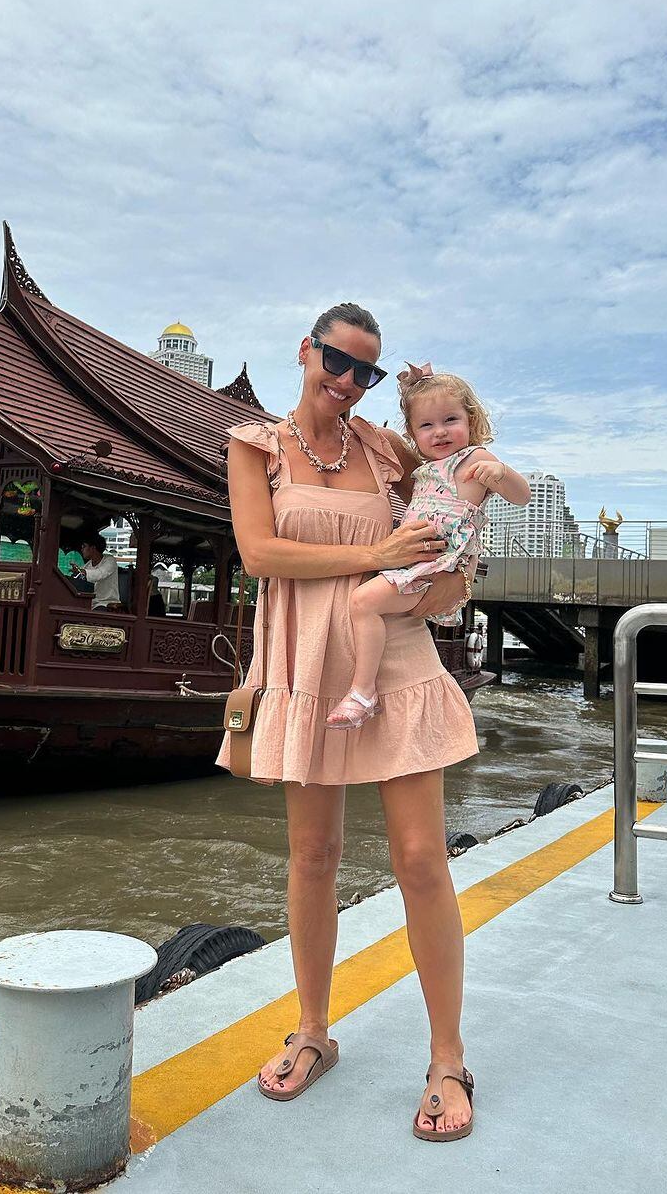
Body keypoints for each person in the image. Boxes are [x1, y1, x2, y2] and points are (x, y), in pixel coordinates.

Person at [219, 303, 481, 1140]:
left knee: (420, 859)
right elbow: (260, 554)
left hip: (393, 658)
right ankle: (312, 1031)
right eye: (338, 362)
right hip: (303, 662)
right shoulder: (254, 446)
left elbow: (454, 490)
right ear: (306, 350)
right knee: (315, 855)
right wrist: (375, 555)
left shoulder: (383, 446)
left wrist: (459, 575)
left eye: (366, 372)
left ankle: (448, 1057)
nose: (349, 382)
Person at [326, 363, 530, 728]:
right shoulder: (424, 470)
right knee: (366, 606)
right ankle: (366, 687)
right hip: (412, 560)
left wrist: (502, 475)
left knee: (362, 603)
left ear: (471, 421)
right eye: (426, 425)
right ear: (413, 433)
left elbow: (522, 496)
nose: (439, 432)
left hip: (434, 566)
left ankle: (362, 691)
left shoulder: (475, 458)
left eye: (450, 420)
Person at [70, 535, 120, 610]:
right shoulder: (87, 565)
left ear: (93, 548)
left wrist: (82, 572)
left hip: (106, 603)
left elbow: (100, 574)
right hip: (90, 603)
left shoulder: (110, 560)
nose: (81, 549)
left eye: (84, 546)